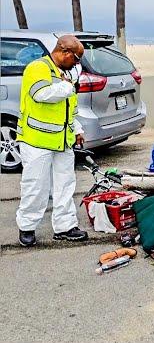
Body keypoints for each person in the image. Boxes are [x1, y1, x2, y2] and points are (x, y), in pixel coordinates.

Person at [16, 35, 89, 246]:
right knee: (35, 186)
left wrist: (77, 129)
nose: (77, 63)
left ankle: (65, 226)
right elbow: (40, 94)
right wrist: (67, 87)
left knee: (65, 185)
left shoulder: (63, 73)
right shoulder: (38, 68)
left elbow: (68, 109)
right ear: (64, 52)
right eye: (76, 58)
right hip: (37, 141)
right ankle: (27, 227)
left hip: (62, 141)